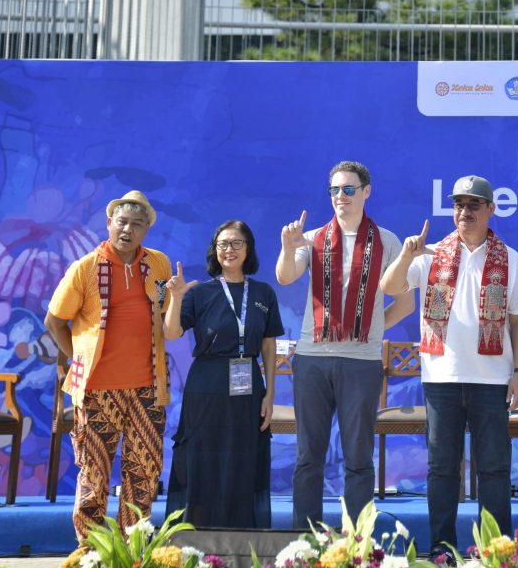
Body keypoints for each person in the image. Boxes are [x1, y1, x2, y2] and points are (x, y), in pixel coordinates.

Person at [380, 174, 518, 560]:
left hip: (492, 379)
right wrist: (405, 256)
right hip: (442, 378)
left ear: (490, 210)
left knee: (494, 470)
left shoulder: (509, 258)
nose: (465, 212)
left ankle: (496, 551)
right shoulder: (430, 254)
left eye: (473, 205)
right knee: (442, 469)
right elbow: (390, 288)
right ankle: (442, 548)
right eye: (459, 205)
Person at [276, 160, 413, 528]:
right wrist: (289, 248)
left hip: (361, 361)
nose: (341, 196)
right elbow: (285, 276)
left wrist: (371, 323)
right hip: (312, 358)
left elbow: (405, 301)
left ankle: (357, 541)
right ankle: (304, 540)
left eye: (348, 189)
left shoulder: (386, 241)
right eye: (334, 190)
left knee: (358, 457)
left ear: (366, 192)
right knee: (309, 457)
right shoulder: (313, 238)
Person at [44, 190, 172, 543]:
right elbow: (54, 321)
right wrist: (80, 359)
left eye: (136, 224)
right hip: (98, 389)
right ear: (109, 224)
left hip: (148, 385)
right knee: (94, 474)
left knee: (144, 471)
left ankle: (134, 550)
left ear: (146, 229)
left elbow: (165, 313)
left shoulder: (159, 264)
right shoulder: (85, 267)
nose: (128, 230)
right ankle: (92, 552)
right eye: (122, 222)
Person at [162, 220, 284, 528]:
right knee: (203, 459)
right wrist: (175, 298)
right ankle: (197, 534)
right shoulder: (199, 293)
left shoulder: (263, 292)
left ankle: (240, 532)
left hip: (248, 386)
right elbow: (172, 333)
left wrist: (270, 392)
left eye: (236, 243)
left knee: (243, 459)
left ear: (248, 248)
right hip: (206, 384)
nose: (228, 250)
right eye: (222, 244)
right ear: (214, 251)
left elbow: (269, 346)